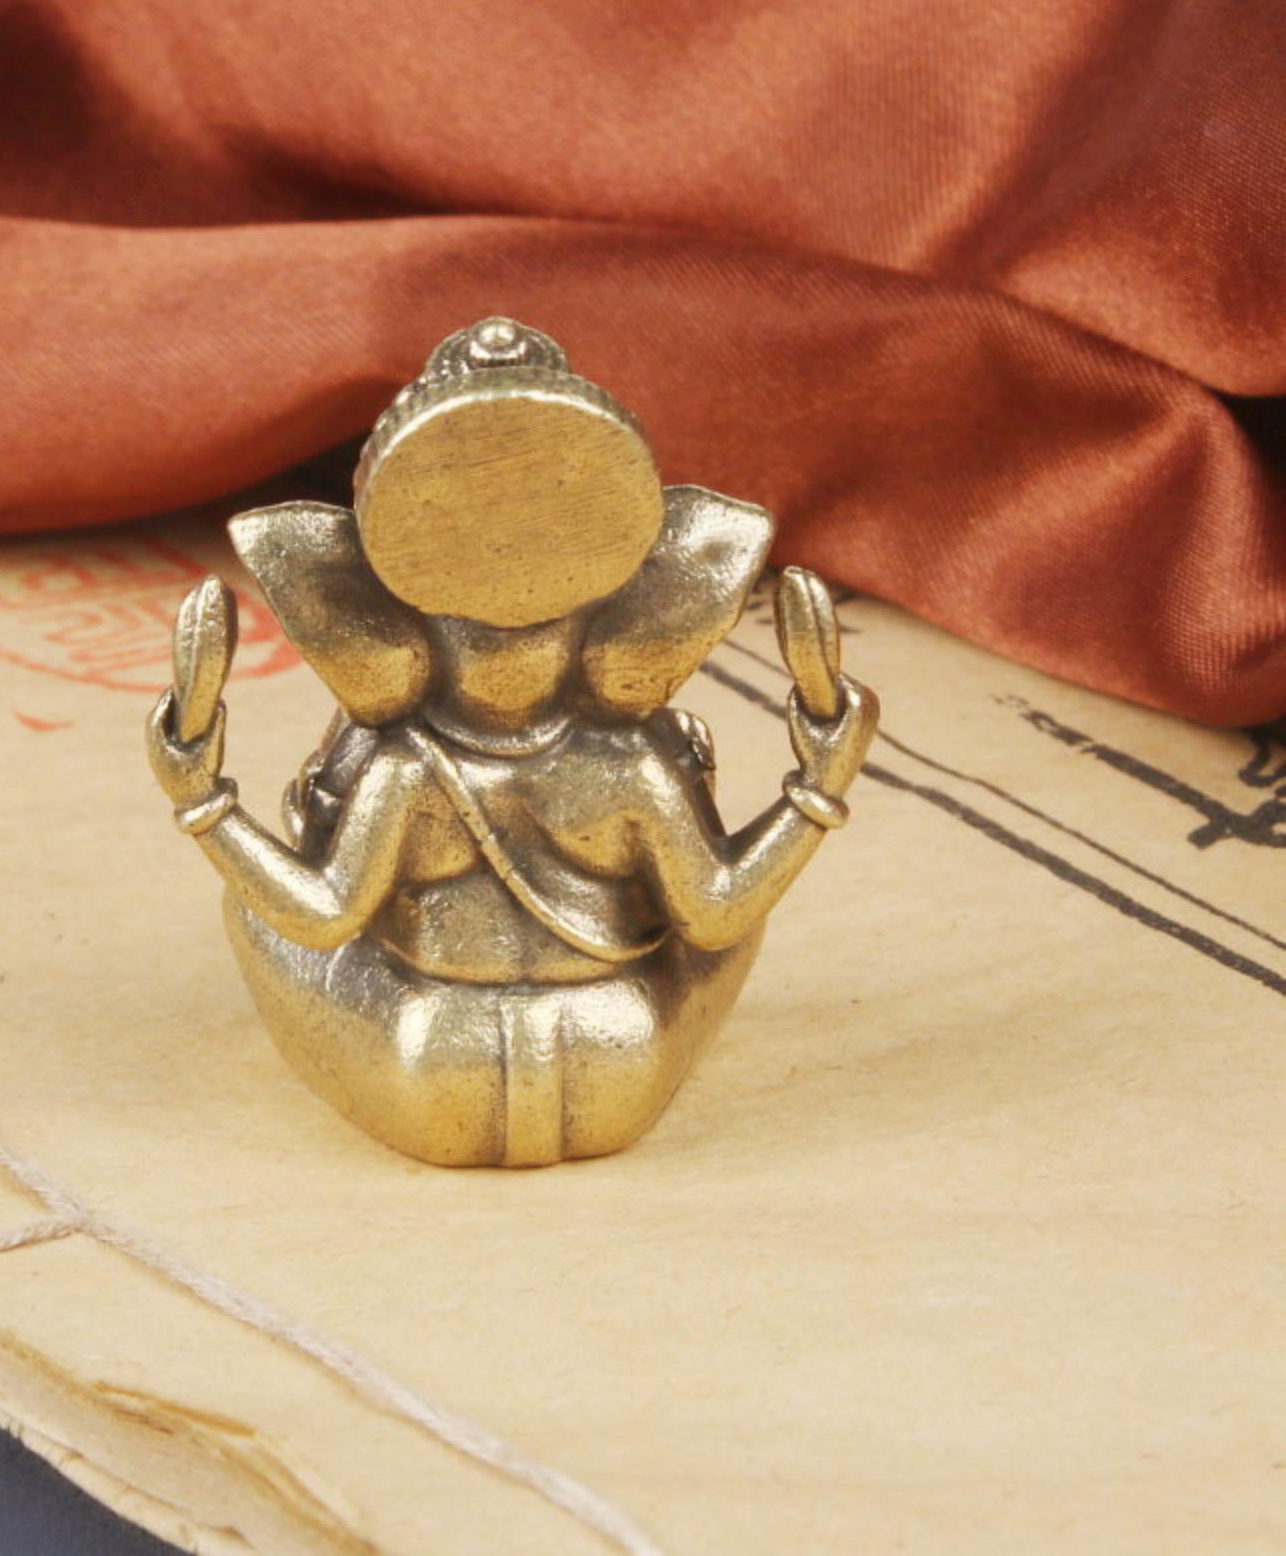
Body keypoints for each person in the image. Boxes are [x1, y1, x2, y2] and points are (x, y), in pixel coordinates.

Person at [147, 318, 878, 1165]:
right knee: (725, 925)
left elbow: (323, 915)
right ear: (623, 625)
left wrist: (203, 801)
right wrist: (815, 788)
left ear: (396, 634)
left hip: (428, 1061)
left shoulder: (404, 764)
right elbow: (717, 910)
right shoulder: (628, 761)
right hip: (621, 1055)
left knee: (254, 909)